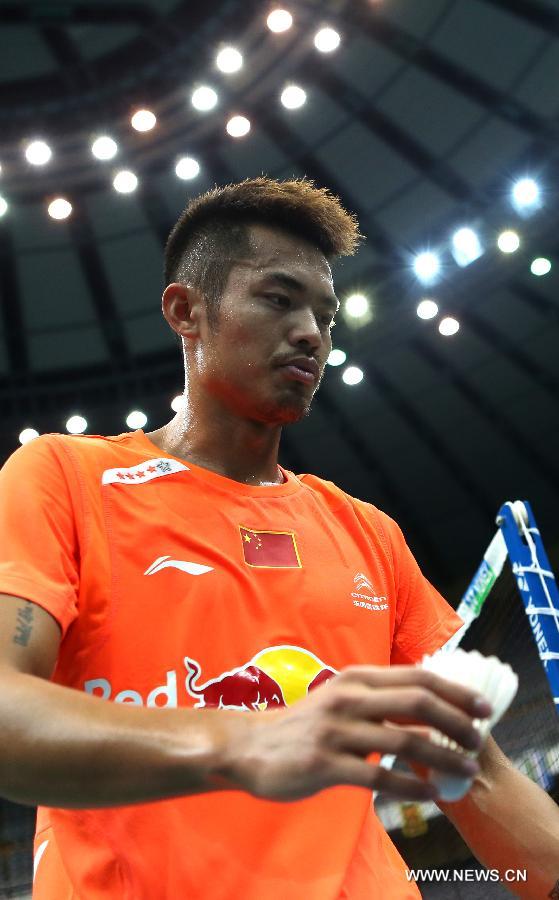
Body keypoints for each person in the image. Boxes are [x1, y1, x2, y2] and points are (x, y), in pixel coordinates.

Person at [0, 177, 557, 900]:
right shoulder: (64, 477)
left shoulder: (365, 533)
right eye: (277, 298)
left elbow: (468, 763)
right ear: (186, 311)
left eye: (325, 316)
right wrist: (243, 739)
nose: (310, 333)